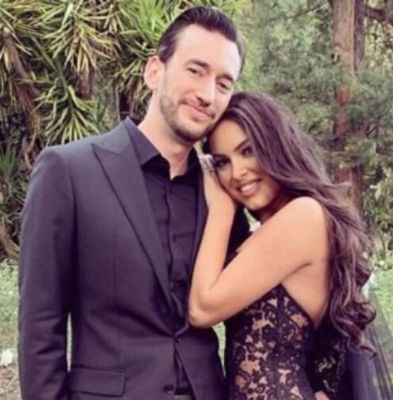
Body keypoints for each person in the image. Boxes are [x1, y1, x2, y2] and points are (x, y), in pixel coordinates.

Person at [18, 7, 249, 400]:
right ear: (154, 71)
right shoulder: (69, 172)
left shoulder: (223, 191)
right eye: (195, 71)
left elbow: (258, 301)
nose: (207, 95)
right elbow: (40, 326)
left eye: (223, 83)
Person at [189, 91, 376, 400]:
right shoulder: (281, 226)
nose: (237, 173)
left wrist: (221, 209)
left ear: (276, 146)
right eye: (222, 163)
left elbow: (202, 308)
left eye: (248, 151)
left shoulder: (303, 215)